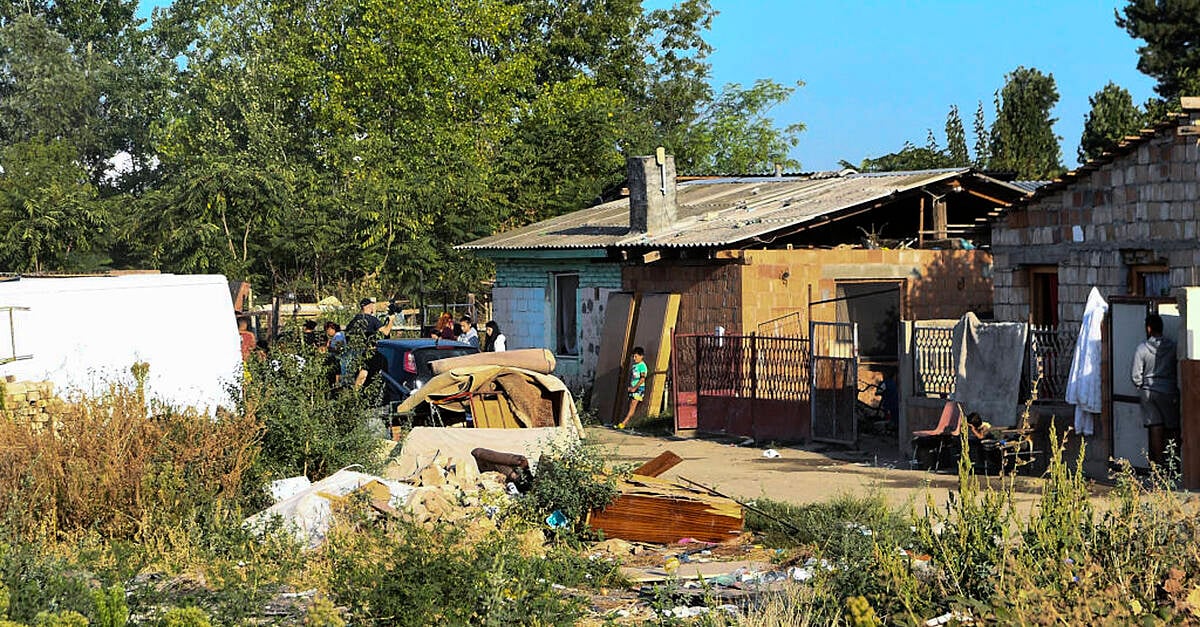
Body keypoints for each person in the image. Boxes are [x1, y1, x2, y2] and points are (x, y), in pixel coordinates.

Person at [1131, 313, 1180, 466]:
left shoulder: (1142, 349)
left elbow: (1135, 375)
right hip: (1169, 391)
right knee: (1172, 427)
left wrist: (1141, 385)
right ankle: (1173, 463)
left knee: (1155, 427)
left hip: (1149, 393)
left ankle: (1158, 466)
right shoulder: (1172, 346)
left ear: (1149, 328)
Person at [615, 346, 647, 429]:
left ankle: (624, 423)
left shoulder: (642, 366)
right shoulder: (634, 366)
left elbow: (642, 379)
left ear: (641, 356)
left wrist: (635, 388)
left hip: (638, 389)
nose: (634, 358)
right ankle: (625, 422)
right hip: (632, 388)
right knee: (629, 405)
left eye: (636, 356)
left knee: (633, 405)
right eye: (633, 356)